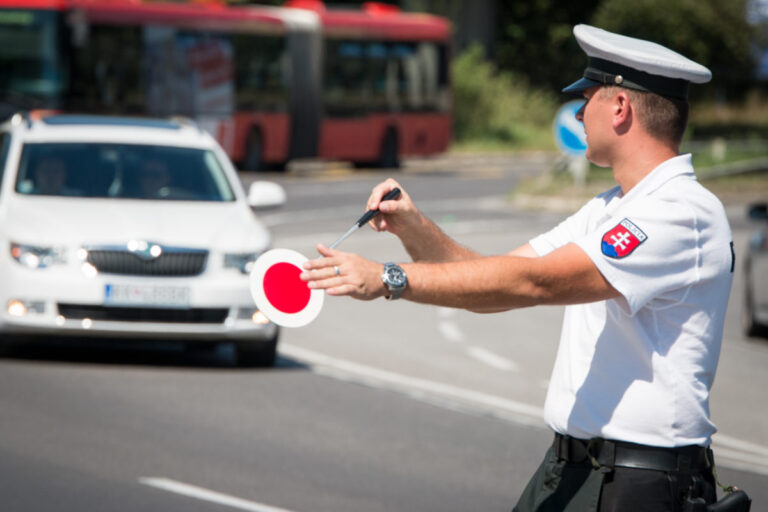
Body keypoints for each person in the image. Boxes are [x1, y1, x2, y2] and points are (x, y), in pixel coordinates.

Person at [301, 24, 739, 511]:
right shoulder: (613, 207)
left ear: (620, 109)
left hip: (636, 483)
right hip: (575, 469)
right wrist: (413, 228)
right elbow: (496, 274)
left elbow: (534, 283)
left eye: (587, 97)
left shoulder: (679, 211)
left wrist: (389, 278)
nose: (576, 111)